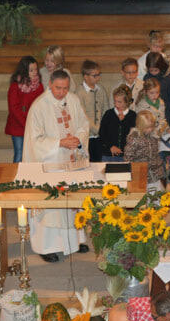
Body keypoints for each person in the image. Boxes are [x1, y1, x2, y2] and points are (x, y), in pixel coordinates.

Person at [23, 70, 90, 262]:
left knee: (72, 201)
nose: (62, 92)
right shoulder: (39, 106)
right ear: (50, 85)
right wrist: (59, 143)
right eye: (58, 88)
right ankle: (46, 247)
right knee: (51, 206)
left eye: (65, 88)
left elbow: (83, 124)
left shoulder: (73, 100)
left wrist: (78, 139)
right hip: (50, 164)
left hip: (71, 161)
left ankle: (74, 241)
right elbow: (34, 140)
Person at [144, 52, 170, 180]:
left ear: (161, 67)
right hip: (155, 117)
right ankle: (161, 169)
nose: (153, 72)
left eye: (155, 70)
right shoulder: (147, 78)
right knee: (159, 147)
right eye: (151, 70)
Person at [6, 56, 43, 163]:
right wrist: (26, 123)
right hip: (18, 125)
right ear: (24, 71)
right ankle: (16, 172)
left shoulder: (39, 86)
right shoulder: (15, 86)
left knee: (33, 153)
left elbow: (41, 105)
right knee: (19, 153)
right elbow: (14, 108)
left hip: (33, 125)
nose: (35, 72)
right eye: (31, 70)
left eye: (36, 69)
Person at [75, 60, 111, 162]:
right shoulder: (79, 92)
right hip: (87, 135)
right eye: (94, 75)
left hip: (100, 135)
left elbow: (106, 109)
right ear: (85, 76)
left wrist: (104, 127)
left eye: (99, 74)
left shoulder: (101, 89)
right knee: (87, 161)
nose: (98, 77)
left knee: (99, 161)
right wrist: (96, 129)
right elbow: (83, 115)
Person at [124, 110, 166, 192]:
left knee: (158, 195)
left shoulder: (153, 137)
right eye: (147, 128)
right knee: (144, 195)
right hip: (141, 174)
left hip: (155, 173)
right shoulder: (134, 139)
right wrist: (133, 172)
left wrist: (159, 165)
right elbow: (128, 157)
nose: (150, 129)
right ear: (140, 126)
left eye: (152, 127)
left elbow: (155, 154)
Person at [98, 86, 136, 162]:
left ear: (127, 102)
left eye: (120, 102)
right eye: (115, 101)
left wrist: (124, 121)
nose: (116, 105)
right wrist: (110, 147)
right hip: (108, 155)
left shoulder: (133, 115)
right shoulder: (108, 114)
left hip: (126, 156)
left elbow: (134, 136)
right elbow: (102, 134)